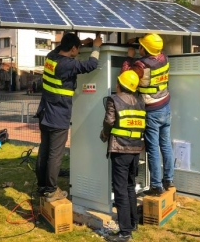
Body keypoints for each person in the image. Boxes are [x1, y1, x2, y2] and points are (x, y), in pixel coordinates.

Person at [35, 32, 102, 202]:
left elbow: (62, 48)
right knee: (55, 155)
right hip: (58, 116)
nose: (78, 51)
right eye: (77, 49)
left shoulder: (51, 57)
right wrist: (95, 47)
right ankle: (51, 190)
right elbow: (91, 65)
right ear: (72, 49)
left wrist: (81, 43)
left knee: (44, 151)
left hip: (45, 112)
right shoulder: (68, 65)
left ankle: (42, 185)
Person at [121, 33, 174, 196]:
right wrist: (136, 41)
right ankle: (169, 180)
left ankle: (156, 186)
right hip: (165, 105)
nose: (139, 48)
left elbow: (126, 77)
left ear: (145, 49)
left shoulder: (141, 65)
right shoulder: (163, 57)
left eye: (141, 46)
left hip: (152, 109)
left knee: (152, 148)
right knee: (165, 145)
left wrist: (128, 58)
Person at [100, 70, 145, 242]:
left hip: (120, 150)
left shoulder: (114, 100)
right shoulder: (140, 102)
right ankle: (132, 223)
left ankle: (125, 232)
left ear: (120, 84)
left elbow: (109, 122)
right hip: (135, 150)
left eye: (117, 82)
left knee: (120, 189)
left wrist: (104, 134)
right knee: (129, 186)